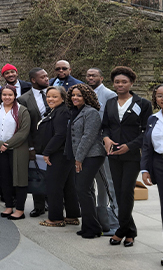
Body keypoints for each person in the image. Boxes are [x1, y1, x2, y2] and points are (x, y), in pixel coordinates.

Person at [102, 67, 152, 246]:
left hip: (132, 155)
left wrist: (130, 146)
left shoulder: (143, 103)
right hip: (113, 154)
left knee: (126, 192)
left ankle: (122, 230)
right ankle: (129, 231)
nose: (120, 85)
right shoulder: (110, 102)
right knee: (117, 191)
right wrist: (106, 138)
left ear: (131, 83)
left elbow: (147, 131)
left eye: (124, 82)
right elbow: (105, 126)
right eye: (117, 82)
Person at [141, 84, 163, 267]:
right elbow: (147, 146)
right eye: (160, 96)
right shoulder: (152, 119)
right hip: (160, 166)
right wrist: (145, 169)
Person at [66, 83, 106, 239]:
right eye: (73, 95)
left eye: (79, 95)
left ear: (86, 97)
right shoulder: (76, 111)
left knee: (82, 190)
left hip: (92, 155)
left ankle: (93, 227)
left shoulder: (91, 113)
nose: (75, 98)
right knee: (86, 190)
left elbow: (88, 137)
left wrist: (78, 158)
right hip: (81, 155)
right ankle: (91, 226)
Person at [0, 85, 31, 220]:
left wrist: (7, 144)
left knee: (19, 179)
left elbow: (24, 132)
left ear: (15, 95)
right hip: (0, 150)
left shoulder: (22, 111)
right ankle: (9, 206)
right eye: (4, 95)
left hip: (17, 150)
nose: (7, 97)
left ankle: (20, 209)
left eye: (10, 95)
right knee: (4, 179)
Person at [39, 86, 80, 228]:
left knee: (54, 186)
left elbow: (60, 135)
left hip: (59, 154)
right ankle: (72, 216)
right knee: (69, 186)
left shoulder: (62, 112)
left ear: (63, 98)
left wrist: (47, 151)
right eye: (48, 96)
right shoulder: (57, 111)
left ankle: (55, 218)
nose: (50, 99)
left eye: (54, 96)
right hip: (64, 154)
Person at [85, 67, 119, 235]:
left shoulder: (110, 95)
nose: (90, 78)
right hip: (89, 148)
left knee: (108, 184)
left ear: (101, 77)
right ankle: (99, 219)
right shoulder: (83, 93)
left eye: (94, 75)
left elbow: (112, 122)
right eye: (88, 75)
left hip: (104, 145)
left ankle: (114, 221)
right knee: (93, 184)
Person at [16, 67, 49, 217]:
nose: (46, 79)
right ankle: (39, 206)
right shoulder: (23, 99)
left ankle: (56, 205)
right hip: (36, 143)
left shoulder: (55, 93)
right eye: (42, 77)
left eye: (47, 76)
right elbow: (24, 127)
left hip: (55, 142)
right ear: (33, 80)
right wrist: (29, 147)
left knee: (55, 175)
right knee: (38, 173)